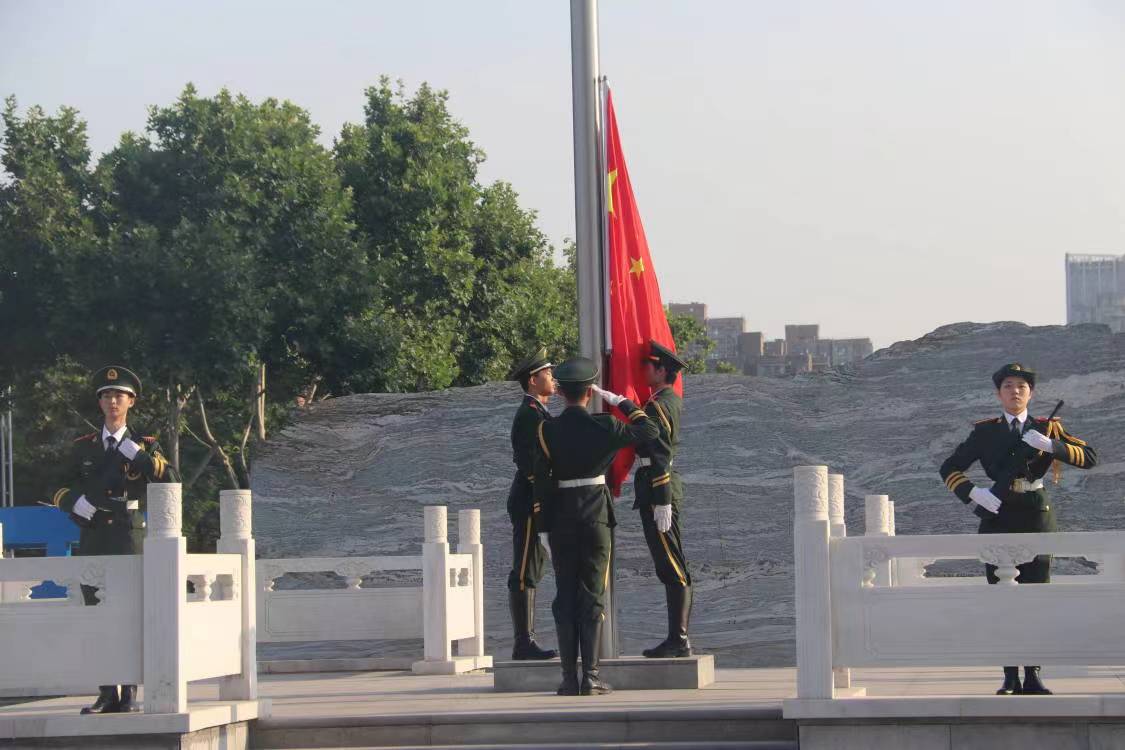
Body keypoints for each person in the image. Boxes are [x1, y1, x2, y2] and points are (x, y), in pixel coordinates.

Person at [939, 362, 1096, 696]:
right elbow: (949, 467)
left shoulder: (1047, 427)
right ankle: (1010, 675)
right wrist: (973, 493)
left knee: (1035, 598)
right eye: (1008, 386)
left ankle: (1033, 674)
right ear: (999, 393)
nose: (1015, 392)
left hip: (1036, 515)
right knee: (1002, 599)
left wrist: (1052, 446)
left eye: (1022, 386)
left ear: (1031, 393)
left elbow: (1090, 457)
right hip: (997, 514)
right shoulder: (985, 432)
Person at [52, 366, 178, 714]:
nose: (112, 401)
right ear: (100, 402)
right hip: (94, 535)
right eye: (107, 395)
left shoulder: (146, 444)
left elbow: (170, 479)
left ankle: (129, 693)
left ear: (131, 401)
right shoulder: (83, 446)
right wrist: (74, 503)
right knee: (97, 615)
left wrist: (140, 457)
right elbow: (57, 485)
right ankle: (106, 692)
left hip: (127, 535)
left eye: (119, 395)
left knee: (129, 615)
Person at [533, 357, 658, 696]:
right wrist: (622, 401)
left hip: (560, 519)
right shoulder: (607, 425)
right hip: (596, 518)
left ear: (561, 393)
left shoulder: (547, 430)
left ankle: (567, 679)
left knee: (564, 596)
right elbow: (650, 430)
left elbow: (541, 482)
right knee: (591, 595)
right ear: (590, 392)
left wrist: (543, 528)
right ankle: (590, 676)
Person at [633, 341, 693, 658]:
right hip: (660, 488)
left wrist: (662, 499)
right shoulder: (664, 401)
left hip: (659, 490)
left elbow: (659, 454)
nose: (643, 369)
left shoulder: (658, 407)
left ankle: (678, 639)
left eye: (648, 365)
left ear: (661, 371)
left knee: (672, 566)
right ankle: (677, 638)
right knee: (670, 564)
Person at [504, 346, 557, 660]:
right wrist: (542, 500)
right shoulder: (529, 414)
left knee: (532, 569)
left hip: (536, 500)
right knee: (524, 569)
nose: (552, 378)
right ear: (533, 380)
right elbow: (529, 464)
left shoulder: (539, 412)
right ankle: (523, 643)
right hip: (528, 501)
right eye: (547, 373)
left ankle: (527, 640)